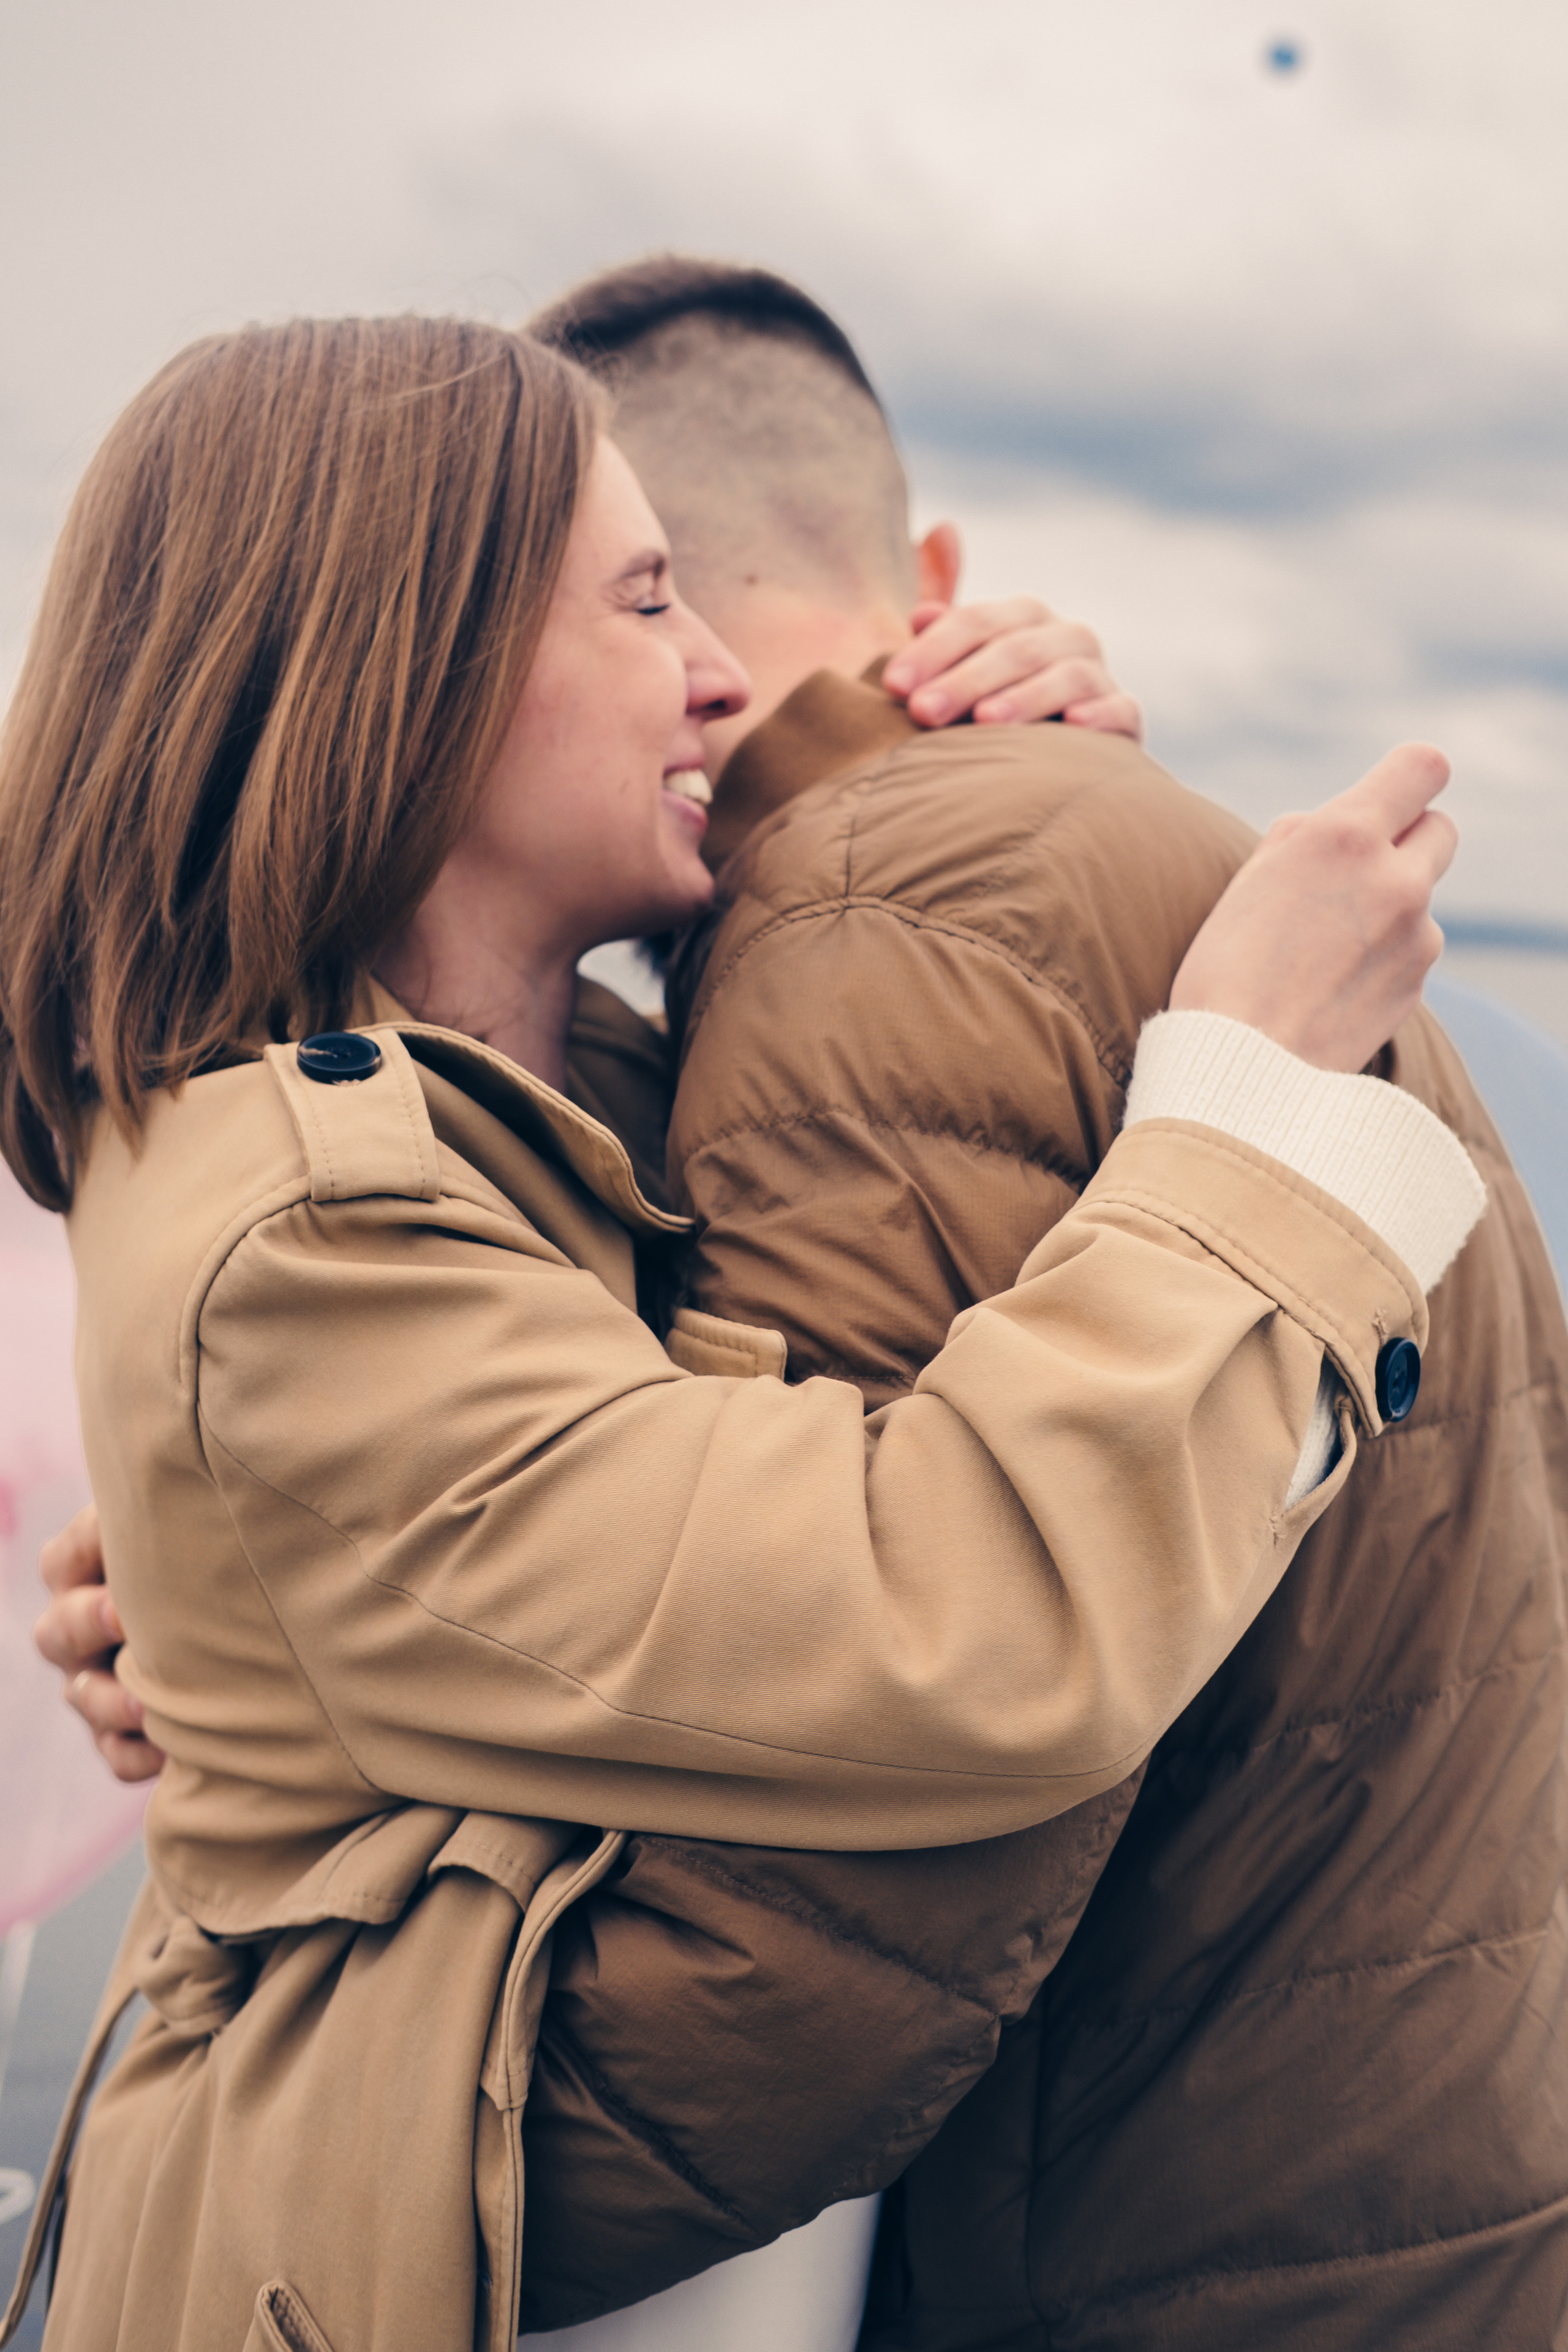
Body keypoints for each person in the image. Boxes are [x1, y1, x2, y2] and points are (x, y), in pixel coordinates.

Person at [7, 311, 1472, 2352]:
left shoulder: (508, 1107)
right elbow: (945, 1615)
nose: (713, 667)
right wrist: (1257, 1100)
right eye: (641, 595)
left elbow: (577, 1445)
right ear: (411, 671)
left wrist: (908, 751)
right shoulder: (314, 1217)